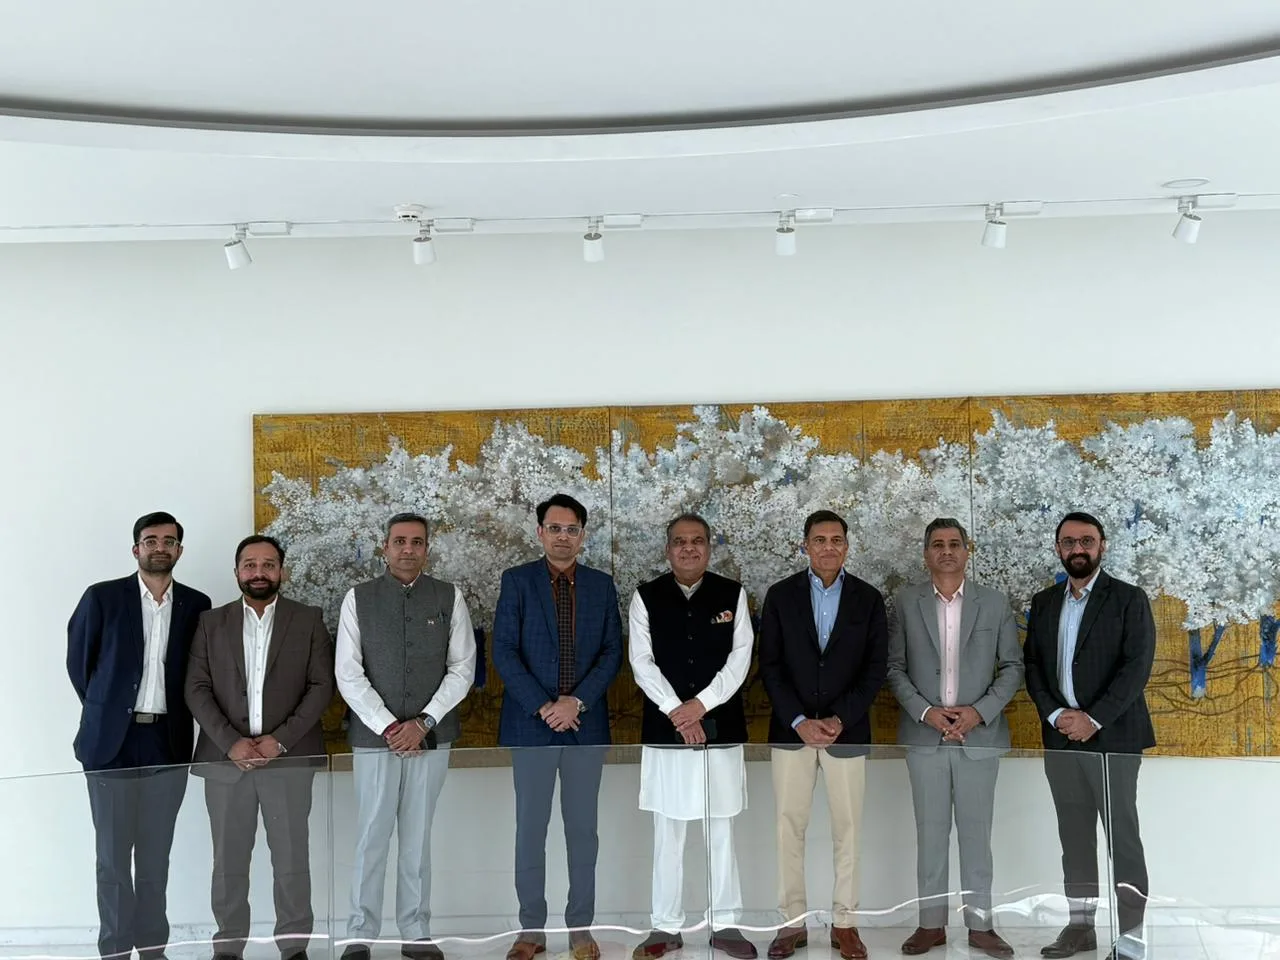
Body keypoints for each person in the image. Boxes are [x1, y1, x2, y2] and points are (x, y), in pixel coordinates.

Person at [67, 511, 213, 960]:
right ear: (136, 549)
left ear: (179, 550)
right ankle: (114, 951)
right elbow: (80, 665)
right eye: (151, 540)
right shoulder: (102, 597)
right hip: (110, 745)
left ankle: (152, 950)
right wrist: (108, 713)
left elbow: (198, 672)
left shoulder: (197, 604)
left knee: (154, 858)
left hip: (166, 742)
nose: (160, 547)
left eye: (169, 541)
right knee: (112, 859)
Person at [184, 535, 335, 960]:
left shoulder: (308, 619)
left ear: (282, 571)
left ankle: (294, 947)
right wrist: (230, 742)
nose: (259, 572)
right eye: (250, 565)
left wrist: (280, 740)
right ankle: (228, 946)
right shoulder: (210, 623)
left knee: (291, 859)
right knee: (228, 862)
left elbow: (321, 686)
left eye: (268, 564)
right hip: (225, 762)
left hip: (289, 760)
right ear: (237, 572)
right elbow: (196, 688)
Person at [335, 513, 477, 960]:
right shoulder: (358, 598)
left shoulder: (449, 596)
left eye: (417, 542)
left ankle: (416, 932)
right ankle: (360, 934)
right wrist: (389, 726)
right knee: (371, 836)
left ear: (427, 549)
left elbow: (463, 668)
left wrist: (424, 722)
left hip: (432, 737)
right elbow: (348, 672)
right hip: (374, 739)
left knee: (417, 838)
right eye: (399, 541)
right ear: (385, 547)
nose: (408, 549)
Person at [492, 493, 623, 960]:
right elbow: (504, 650)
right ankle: (531, 930)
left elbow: (612, 652)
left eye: (571, 530)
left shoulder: (601, 585)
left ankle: (580, 929)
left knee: (583, 832)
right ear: (540, 532)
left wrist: (576, 702)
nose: (562, 537)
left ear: (582, 535)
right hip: (532, 726)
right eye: (554, 528)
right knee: (530, 830)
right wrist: (545, 706)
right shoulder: (517, 581)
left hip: (584, 726)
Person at [884, 519, 1023, 959]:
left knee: (977, 835)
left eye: (954, 544)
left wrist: (978, 712)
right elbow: (894, 667)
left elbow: (1013, 667)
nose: (946, 551)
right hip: (924, 736)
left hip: (978, 736)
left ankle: (981, 926)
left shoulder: (994, 603)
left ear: (967, 550)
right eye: (938, 544)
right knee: (930, 834)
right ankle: (931, 925)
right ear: (926, 553)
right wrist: (926, 712)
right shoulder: (906, 602)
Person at [1023, 512, 1156, 960]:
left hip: (1114, 740)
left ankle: (1132, 937)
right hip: (1061, 739)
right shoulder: (1044, 603)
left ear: (1102, 545)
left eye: (1086, 540)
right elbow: (1033, 666)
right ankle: (1080, 928)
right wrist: (1057, 714)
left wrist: (1092, 719)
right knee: (1074, 838)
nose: (1077, 549)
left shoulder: (1129, 599)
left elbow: (1136, 668)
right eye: (1069, 542)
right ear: (1057, 548)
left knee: (1123, 840)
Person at [758, 510, 888, 960]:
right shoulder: (780, 596)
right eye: (819, 540)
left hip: (845, 734)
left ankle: (845, 924)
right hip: (791, 731)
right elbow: (770, 666)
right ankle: (791, 923)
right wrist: (799, 720)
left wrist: (839, 719)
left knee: (848, 830)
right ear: (805, 546)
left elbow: (875, 669)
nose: (828, 547)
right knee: (788, 828)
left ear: (847, 547)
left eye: (836, 539)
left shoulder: (868, 599)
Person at [629, 514, 756, 960]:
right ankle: (665, 926)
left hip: (721, 729)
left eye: (697, 540)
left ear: (709, 547)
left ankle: (726, 924)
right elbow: (641, 662)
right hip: (665, 731)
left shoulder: (733, 594)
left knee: (721, 830)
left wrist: (700, 706)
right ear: (668, 550)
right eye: (680, 541)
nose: (689, 548)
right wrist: (678, 712)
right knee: (669, 832)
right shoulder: (646, 596)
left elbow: (740, 659)